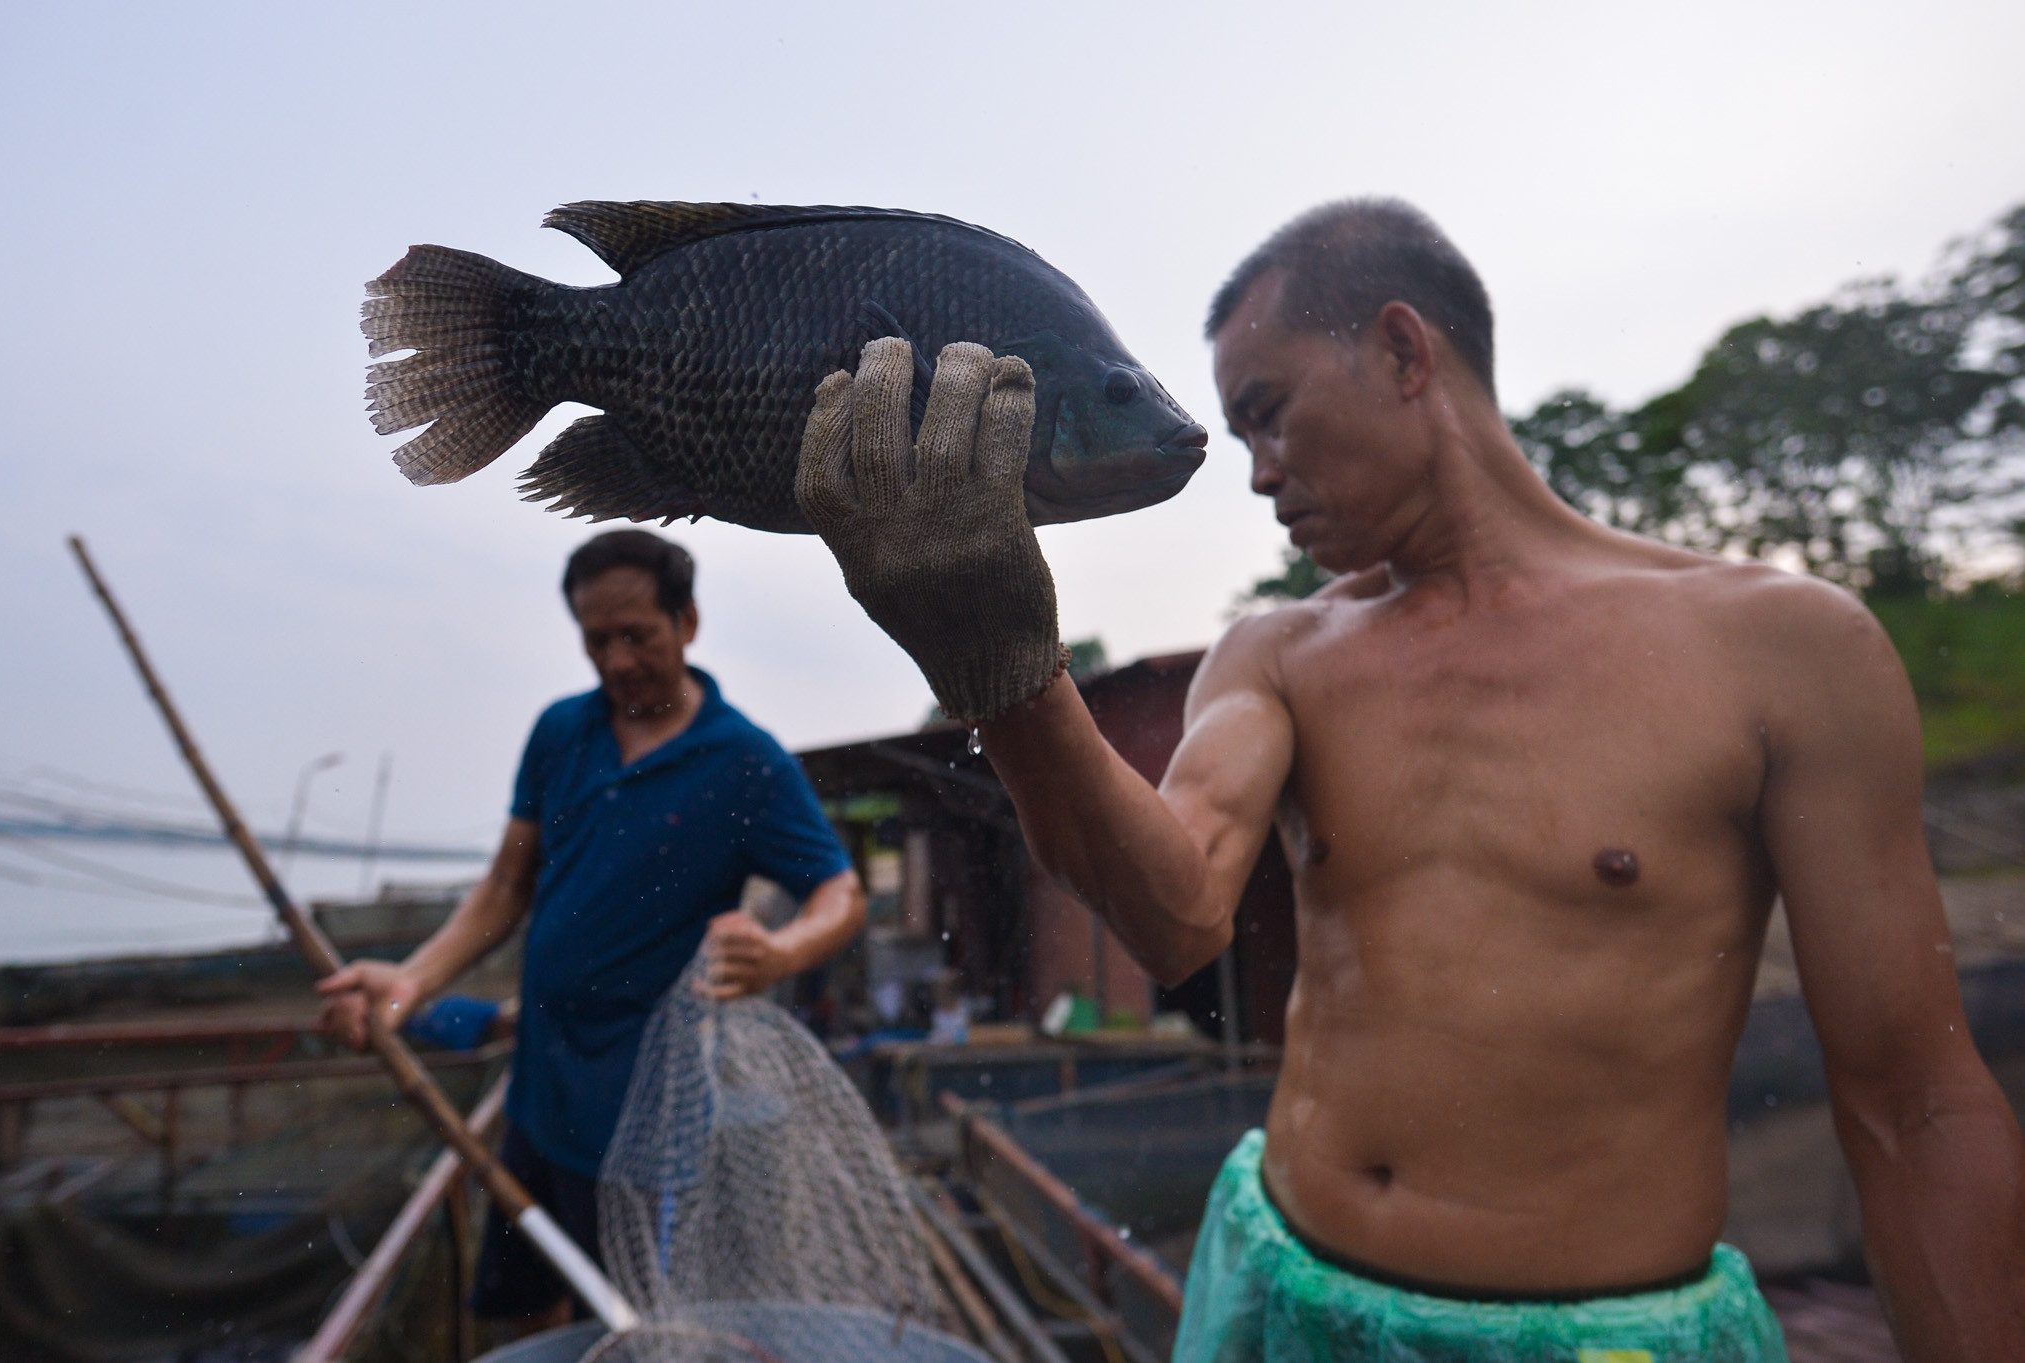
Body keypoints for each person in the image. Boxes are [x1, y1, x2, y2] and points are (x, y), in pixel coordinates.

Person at [795, 202, 2025, 1360]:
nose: (1258, 471)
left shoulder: (1779, 647)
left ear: (1399, 351)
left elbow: (1913, 1103)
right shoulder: (1276, 653)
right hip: (1277, 1294)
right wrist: (1002, 666)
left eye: (1266, 411)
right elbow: (1174, 915)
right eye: (1238, 436)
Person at [318, 529, 863, 1333]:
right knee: (520, 1301)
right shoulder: (559, 733)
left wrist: (782, 950)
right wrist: (411, 981)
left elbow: (840, 891)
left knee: (623, 1320)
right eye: (594, 639)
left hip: (640, 1115)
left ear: (688, 621)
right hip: (539, 1086)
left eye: (635, 635)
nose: (613, 661)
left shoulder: (745, 762)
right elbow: (507, 884)